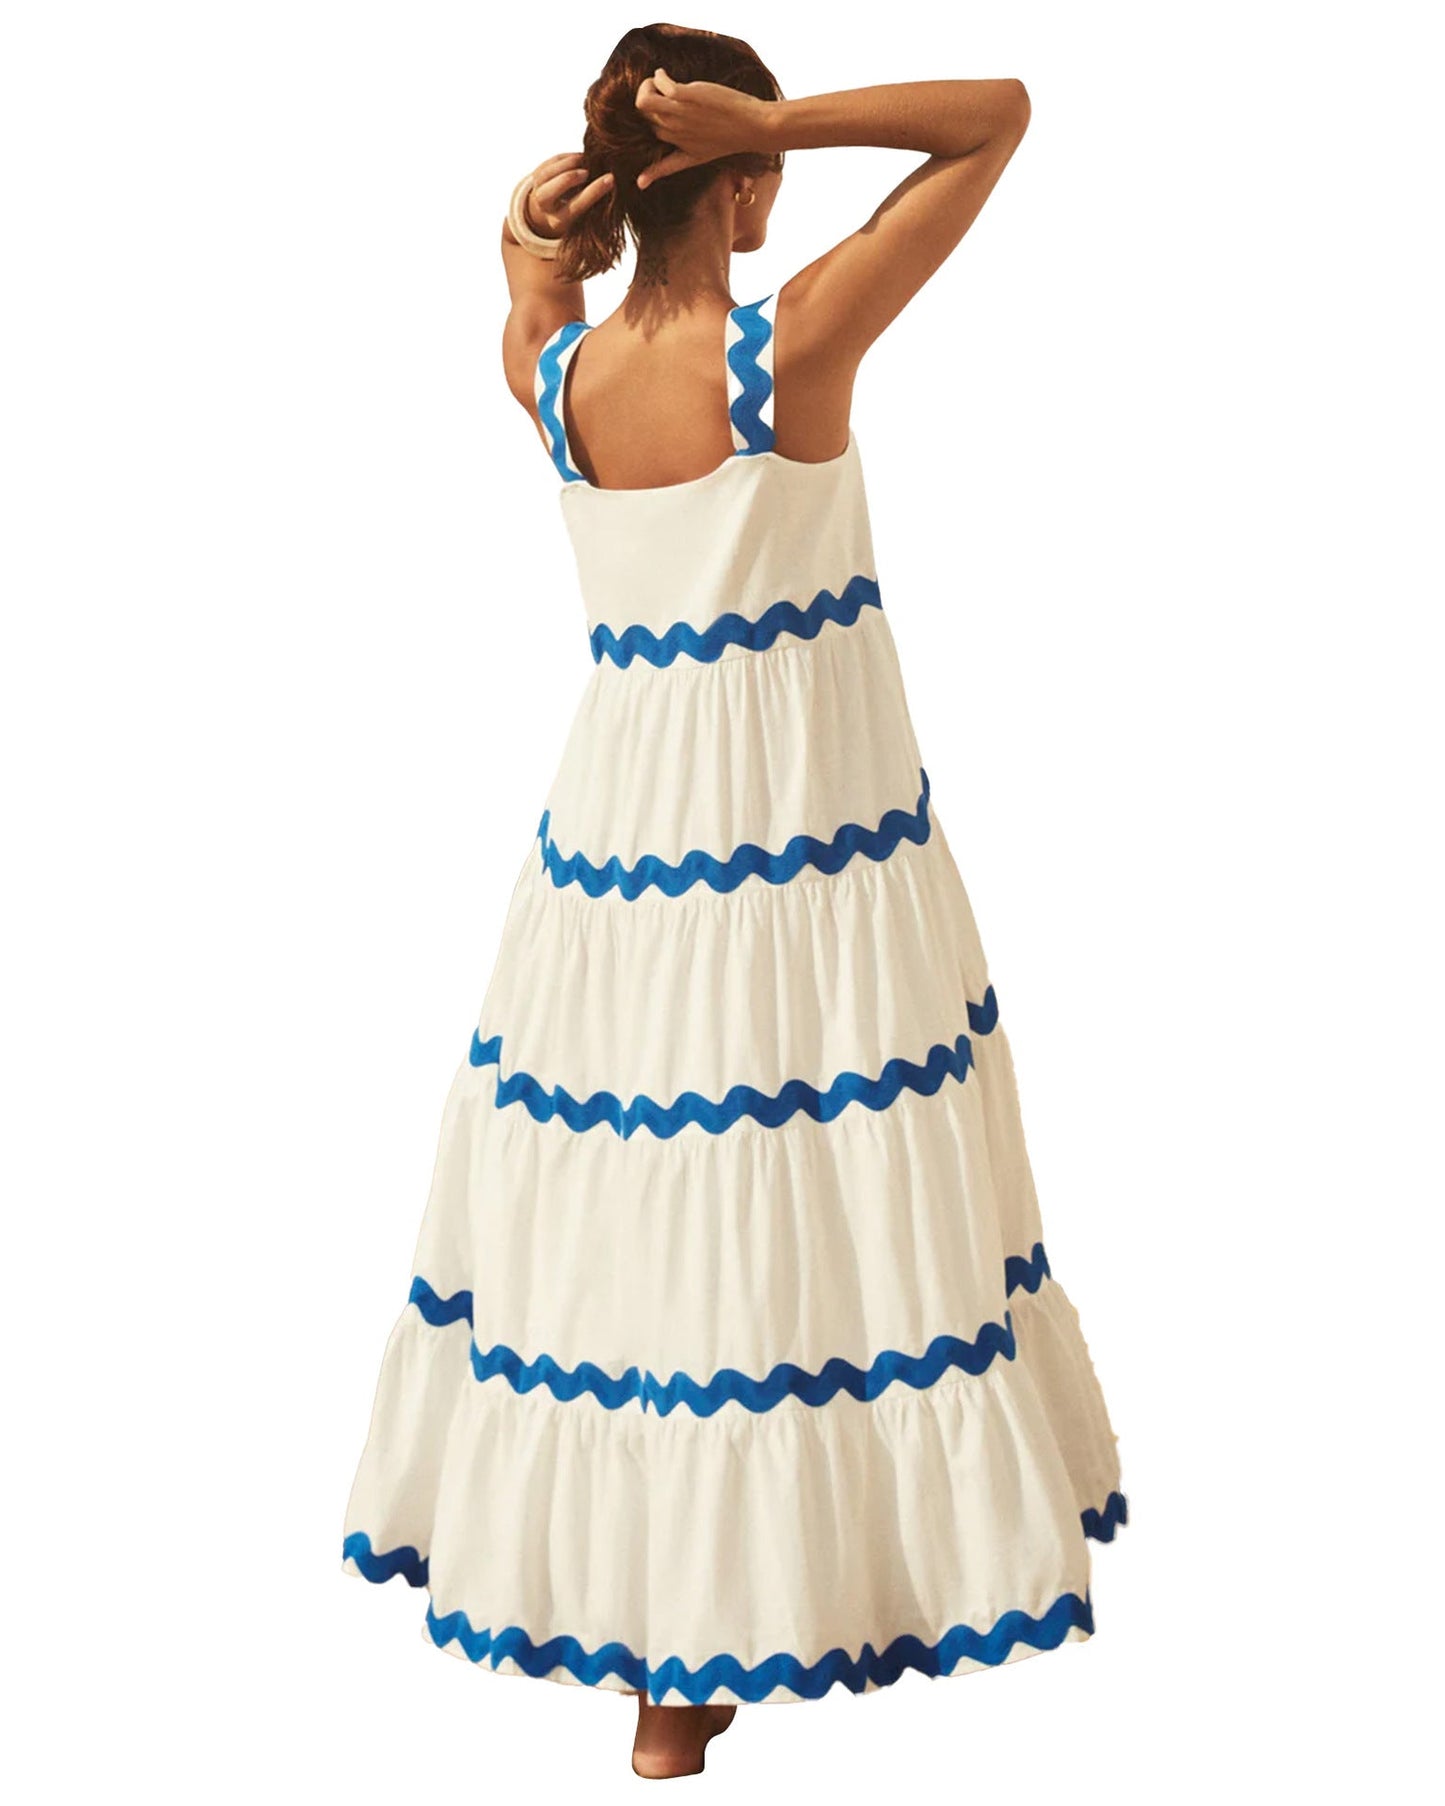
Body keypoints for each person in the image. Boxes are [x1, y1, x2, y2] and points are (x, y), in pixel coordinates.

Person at [343, 22, 1126, 1782]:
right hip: (808, 835)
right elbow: (994, 118)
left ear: (617, 188)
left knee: (646, 1193)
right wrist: (791, 117)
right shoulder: (791, 348)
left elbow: (529, 282)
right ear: (745, 181)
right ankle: (772, 1615)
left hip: (620, 848)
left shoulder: (554, 374)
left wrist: (530, 233)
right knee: (814, 1177)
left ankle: (665, 1674)